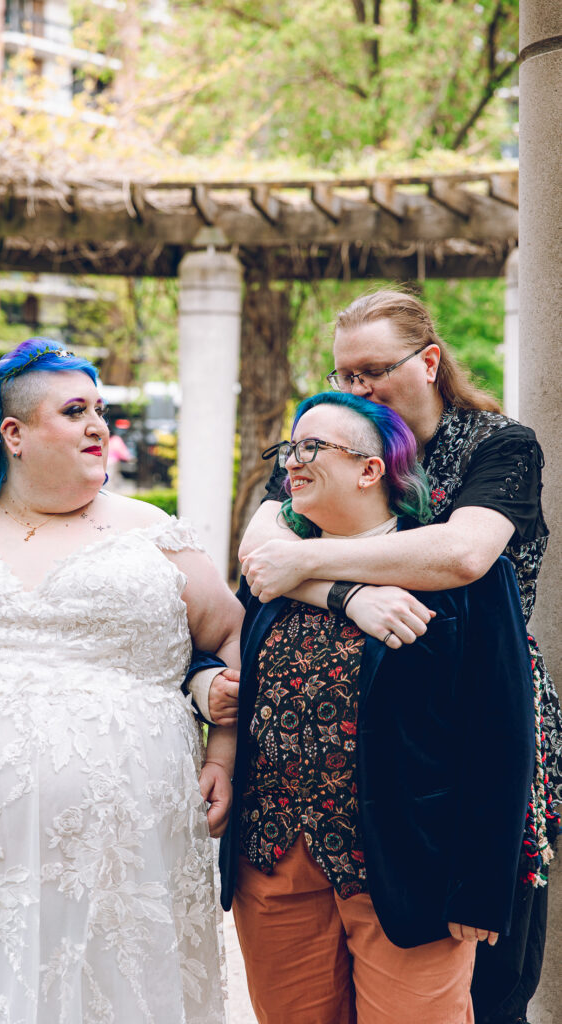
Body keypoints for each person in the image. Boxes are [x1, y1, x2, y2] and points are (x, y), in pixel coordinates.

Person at [0, 338, 243, 1024]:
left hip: (120, 864)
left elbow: (233, 636)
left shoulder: (153, 535)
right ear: (13, 434)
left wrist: (221, 752)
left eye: (99, 410)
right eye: (75, 411)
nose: (98, 425)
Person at [239, 290, 560, 1024]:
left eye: (373, 371)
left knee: (488, 987)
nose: (356, 389)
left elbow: (463, 554)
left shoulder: (496, 444)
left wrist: (306, 563)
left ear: (429, 361)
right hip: (328, 789)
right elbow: (261, 554)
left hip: (477, 701)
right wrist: (344, 595)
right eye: (344, 374)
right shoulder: (328, 443)